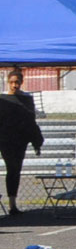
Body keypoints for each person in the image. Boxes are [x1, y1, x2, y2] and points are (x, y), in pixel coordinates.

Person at [0, 66, 46, 216]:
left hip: (20, 140)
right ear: (8, 82)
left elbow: (30, 121)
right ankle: (11, 204)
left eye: (17, 82)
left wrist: (36, 141)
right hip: (5, 139)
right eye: (12, 82)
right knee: (12, 167)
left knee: (15, 170)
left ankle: (12, 204)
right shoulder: (3, 99)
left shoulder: (26, 99)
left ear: (21, 82)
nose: (15, 85)